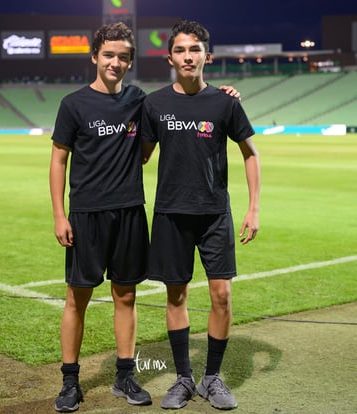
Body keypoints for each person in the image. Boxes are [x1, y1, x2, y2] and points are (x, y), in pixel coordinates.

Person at [49, 21, 240, 413]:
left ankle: (124, 375)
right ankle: (70, 380)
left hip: (131, 211)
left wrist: (227, 93)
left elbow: (178, 107)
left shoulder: (140, 101)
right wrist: (59, 214)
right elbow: (58, 161)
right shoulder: (73, 104)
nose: (115, 63)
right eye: (108, 55)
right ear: (94, 57)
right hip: (86, 213)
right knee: (76, 298)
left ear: (130, 61)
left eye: (122, 57)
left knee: (127, 295)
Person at [141, 20, 261, 411]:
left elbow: (250, 154)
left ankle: (212, 377)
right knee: (176, 295)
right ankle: (182, 379)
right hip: (170, 214)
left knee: (222, 295)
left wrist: (253, 207)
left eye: (195, 49)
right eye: (180, 49)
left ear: (206, 56)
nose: (188, 56)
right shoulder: (154, 103)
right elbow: (139, 155)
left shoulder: (225, 102)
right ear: (170, 56)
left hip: (214, 214)